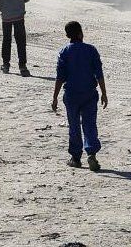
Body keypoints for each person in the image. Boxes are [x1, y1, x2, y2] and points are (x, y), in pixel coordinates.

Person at [52, 21, 108, 172]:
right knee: (90, 124)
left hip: (71, 95)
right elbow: (99, 74)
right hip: (89, 94)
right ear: (80, 34)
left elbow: (60, 77)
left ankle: (76, 158)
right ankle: (91, 153)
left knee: (74, 126)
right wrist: (104, 93)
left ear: (68, 35)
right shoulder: (91, 50)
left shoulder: (64, 52)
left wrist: (55, 97)